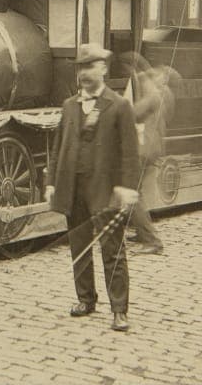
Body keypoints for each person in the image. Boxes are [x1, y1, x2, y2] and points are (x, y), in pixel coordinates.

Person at [44, 43, 141, 332]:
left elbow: (130, 152)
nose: (85, 73)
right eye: (80, 68)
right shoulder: (69, 106)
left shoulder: (120, 106)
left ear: (103, 69)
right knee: (79, 248)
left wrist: (126, 187)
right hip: (73, 190)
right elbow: (58, 147)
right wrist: (51, 183)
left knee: (112, 250)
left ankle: (119, 310)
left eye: (90, 67)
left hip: (106, 190)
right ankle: (86, 299)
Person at [129, 60, 179, 255]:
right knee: (137, 192)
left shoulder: (153, 95)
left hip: (144, 148)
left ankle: (152, 241)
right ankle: (143, 234)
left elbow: (134, 113)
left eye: (157, 74)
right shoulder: (167, 95)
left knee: (133, 194)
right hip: (153, 147)